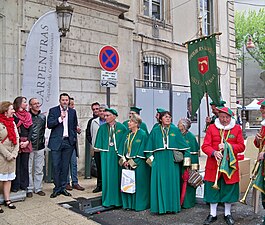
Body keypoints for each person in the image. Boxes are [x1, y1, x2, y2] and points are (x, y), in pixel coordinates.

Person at [202, 106, 245, 225]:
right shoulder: (211, 128)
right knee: (212, 189)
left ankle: (227, 214)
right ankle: (213, 214)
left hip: (229, 166)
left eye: (226, 117)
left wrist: (227, 147)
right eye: (221, 117)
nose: (224, 120)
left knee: (229, 188)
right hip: (213, 164)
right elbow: (205, 146)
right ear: (218, 117)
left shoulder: (237, 129)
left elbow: (241, 147)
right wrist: (213, 152)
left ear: (230, 117)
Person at [144, 111, 190, 214]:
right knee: (160, 184)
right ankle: (160, 208)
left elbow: (185, 148)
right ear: (160, 119)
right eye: (165, 117)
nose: (168, 118)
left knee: (172, 183)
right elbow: (147, 150)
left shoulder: (175, 130)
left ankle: (172, 207)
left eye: (169, 117)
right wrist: (153, 163)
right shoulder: (155, 131)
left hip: (171, 162)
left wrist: (186, 162)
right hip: (159, 161)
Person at [47, 93, 78, 198]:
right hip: (56, 142)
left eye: (66, 100)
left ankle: (63, 188)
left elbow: (74, 126)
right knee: (56, 166)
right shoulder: (53, 110)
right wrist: (60, 119)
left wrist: (73, 139)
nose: (65, 102)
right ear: (60, 101)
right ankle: (56, 188)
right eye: (63, 100)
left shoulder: (73, 112)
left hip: (68, 142)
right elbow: (49, 124)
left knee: (65, 167)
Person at [94, 108, 127, 207]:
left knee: (117, 176)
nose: (105, 117)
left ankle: (118, 200)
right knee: (107, 176)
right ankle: (108, 199)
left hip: (117, 155)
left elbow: (125, 141)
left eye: (108, 115)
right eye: (105, 115)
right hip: (106, 155)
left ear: (114, 116)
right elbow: (99, 143)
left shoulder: (122, 127)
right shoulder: (102, 128)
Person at [118, 113, 150, 211]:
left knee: (139, 184)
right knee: (127, 184)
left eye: (131, 121)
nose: (129, 123)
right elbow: (121, 149)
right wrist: (124, 161)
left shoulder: (142, 134)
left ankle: (139, 205)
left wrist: (132, 161)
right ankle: (129, 204)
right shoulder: (127, 134)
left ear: (136, 123)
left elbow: (143, 151)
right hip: (127, 164)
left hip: (138, 164)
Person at [0, 101, 19, 212]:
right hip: (2, 156)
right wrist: (7, 154)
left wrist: (15, 153)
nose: (14, 111)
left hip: (12, 156)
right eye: (12, 109)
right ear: (5, 111)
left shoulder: (12, 123)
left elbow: (16, 138)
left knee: (8, 179)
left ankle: (7, 200)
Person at [12, 96, 33, 192]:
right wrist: (18, 142)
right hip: (16, 141)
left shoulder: (28, 115)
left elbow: (31, 130)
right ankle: (15, 185)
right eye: (24, 102)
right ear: (19, 103)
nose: (26, 104)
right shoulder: (14, 115)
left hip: (26, 141)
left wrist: (27, 141)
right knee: (17, 165)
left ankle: (24, 185)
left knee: (25, 165)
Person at [178, 118, 199, 209]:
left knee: (188, 183)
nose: (177, 125)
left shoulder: (191, 137)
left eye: (179, 123)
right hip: (178, 163)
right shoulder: (178, 135)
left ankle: (188, 202)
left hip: (187, 165)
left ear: (183, 126)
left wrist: (191, 166)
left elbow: (194, 152)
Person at [26, 98, 46, 198]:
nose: (37, 105)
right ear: (30, 106)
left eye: (38, 103)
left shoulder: (43, 117)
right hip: (29, 146)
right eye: (35, 104)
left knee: (39, 168)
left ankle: (38, 188)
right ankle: (29, 188)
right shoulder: (27, 116)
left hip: (40, 145)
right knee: (28, 168)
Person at [66, 97, 84, 191]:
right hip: (65, 142)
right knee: (66, 164)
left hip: (72, 142)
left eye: (73, 104)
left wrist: (78, 130)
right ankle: (66, 182)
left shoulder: (74, 114)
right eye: (71, 104)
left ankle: (75, 182)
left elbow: (76, 126)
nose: (73, 106)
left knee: (73, 163)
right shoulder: (64, 114)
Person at [252, 98, 265, 224]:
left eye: (264, 108)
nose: (261, 110)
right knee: (263, 194)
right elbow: (259, 145)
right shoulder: (263, 125)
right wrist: (257, 139)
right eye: (261, 108)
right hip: (263, 166)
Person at [90, 104, 107, 193]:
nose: (101, 112)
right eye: (100, 111)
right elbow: (92, 134)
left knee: (106, 168)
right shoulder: (94, 122)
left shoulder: (109, 122)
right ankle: (99, 185)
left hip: (106, 150)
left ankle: (106, 185)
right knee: (99, 168)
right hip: (97, 149)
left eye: (103, 111)